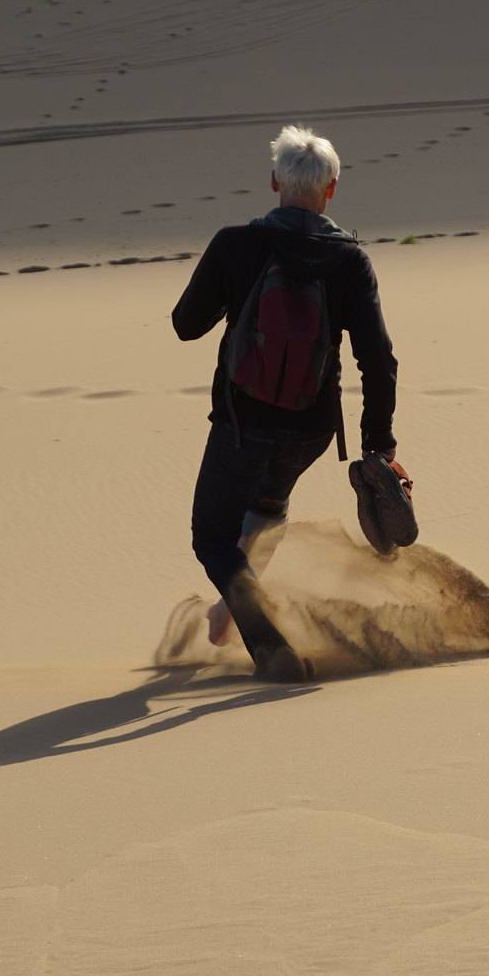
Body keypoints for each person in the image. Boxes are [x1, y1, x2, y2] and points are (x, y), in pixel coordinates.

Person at [171, 125, 401, 681]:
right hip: (310, 429)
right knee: (266, 513)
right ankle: (229, 611)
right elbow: (379, 359)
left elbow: (185, 325)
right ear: (332, 190)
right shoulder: (350, 260)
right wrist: (380, 445)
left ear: (275, 181)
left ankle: (270, 645)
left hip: (241, 422)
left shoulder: (236, 244)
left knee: (213, 536)